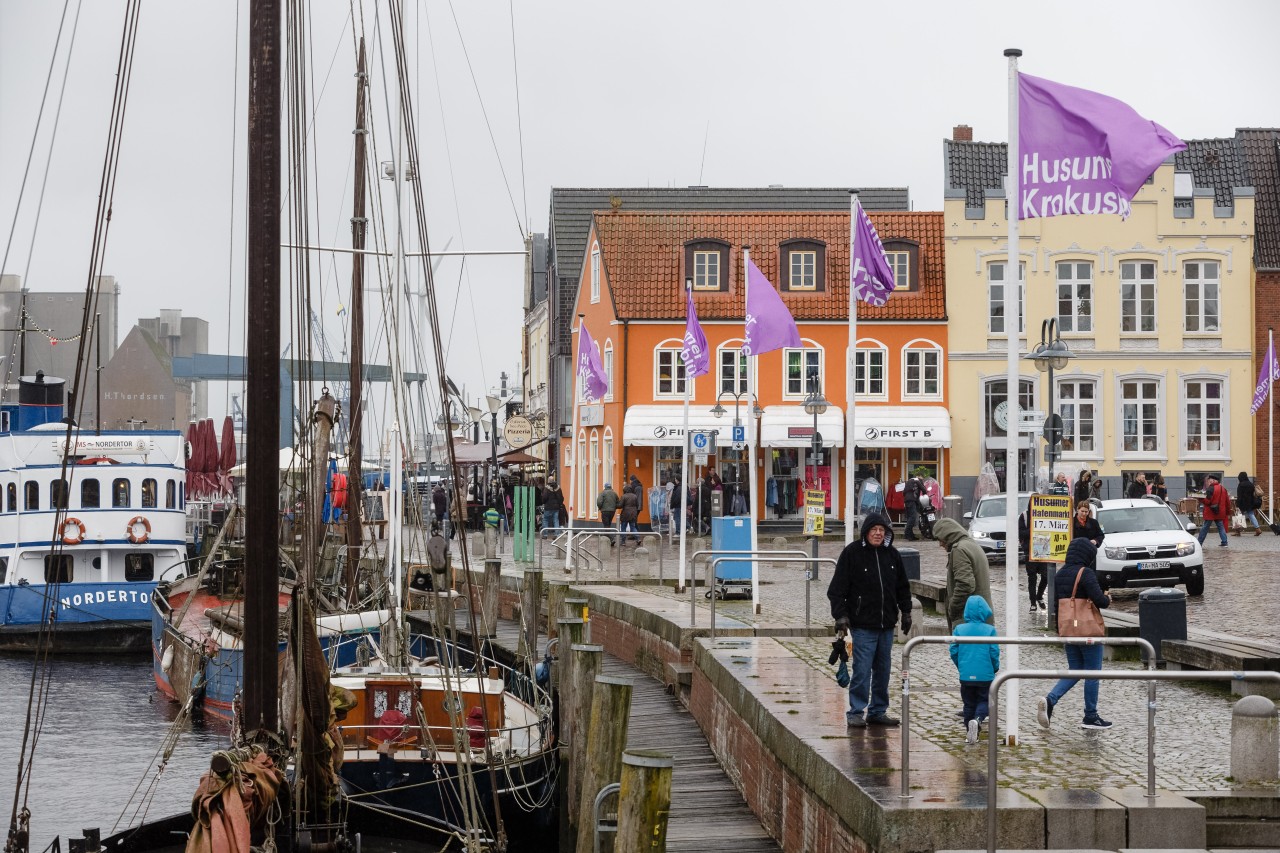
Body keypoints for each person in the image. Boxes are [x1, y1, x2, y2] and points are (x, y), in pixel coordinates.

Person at [826, 513, 912, 728]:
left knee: (883, 671)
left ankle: (878, 710)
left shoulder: (892, 555)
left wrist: (907, 611)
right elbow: (837, 590)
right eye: (874, 529)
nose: (878, 533)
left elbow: (903, 587)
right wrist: (841, 615)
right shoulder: (852, 554)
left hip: (886, 624)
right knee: (862, 671)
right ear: (866, 532)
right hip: (863, 624)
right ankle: (856, 711)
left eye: (882, 530)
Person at [1037, 538, 1113, 730]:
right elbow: (1100, 601)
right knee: (1092, 674)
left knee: (1075, 670)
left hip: (1069, 629)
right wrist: (1107, 597)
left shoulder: (1060, 574)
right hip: (1087, 630)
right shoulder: (1085, 573)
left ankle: (1050, 700)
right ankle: (1090, 716)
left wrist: (1059, 630)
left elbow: (1056, 605)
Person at [950, 594, 999, 744]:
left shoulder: (959, 629)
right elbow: (994, 652)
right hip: (985, 676)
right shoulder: (990, 630)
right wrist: (995, 667)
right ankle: (977, 721)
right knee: (985, 701)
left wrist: (961, 666)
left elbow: (954, 650)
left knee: (968, 704)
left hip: (966, 675)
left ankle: (970, 733)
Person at [1016, 508, 1048, 612]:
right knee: (1032, 578)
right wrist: (1034, 530)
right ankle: (1033, 603)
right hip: (1029, 551)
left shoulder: (1045, 512)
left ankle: (1039, 596)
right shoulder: (1024, 515)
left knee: (1046, 576)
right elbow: (1021, 533)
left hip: (1044, 549)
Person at [1197, 474, 1230, 547]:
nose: (1208, 482)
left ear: (1213, 480)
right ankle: (1224, 542)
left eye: (1209, 480)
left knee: (1205, 528)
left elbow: (1208, 502)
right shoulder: (1223, 489)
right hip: (1220, 512)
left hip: (1210, 512)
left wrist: (1200, 498)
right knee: (1221, 527)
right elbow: (1227, 501)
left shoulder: (1211, 488)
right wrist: (1227, 511)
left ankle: (1199, 543)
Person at [1234, 471, 1264, 536]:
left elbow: (1239, 495)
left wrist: (1237, 503)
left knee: (1239, 516)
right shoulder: (1250, 484)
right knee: (1251, 515)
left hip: (1242, 503)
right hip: (1251, 502)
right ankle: (1258, 529)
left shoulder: (1241, 485)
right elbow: (1253, 494)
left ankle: (1238, 531)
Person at [902, 474, 923, 541]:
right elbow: (923, 489)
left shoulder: (909, 482)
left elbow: (904, 492)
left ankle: (911, 535)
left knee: (909, 518)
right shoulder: (918, 481)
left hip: (907, 501)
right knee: (912, 517)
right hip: (912, 501)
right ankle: (907, 533)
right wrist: (925, 494)